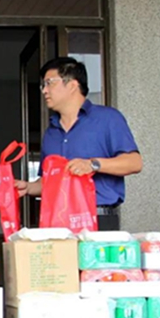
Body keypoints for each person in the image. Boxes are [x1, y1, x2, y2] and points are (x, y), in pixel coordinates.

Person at [14, 57, 142, 231]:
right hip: (58, 220)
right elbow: (49, 180)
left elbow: (134, 163)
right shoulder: (51, 132)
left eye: (49, 83)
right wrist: (29, 187)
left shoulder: (107, 119)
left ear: (72, 85)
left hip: (97, 218)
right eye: (43, 85)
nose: (44, 90)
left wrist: (92, 164)